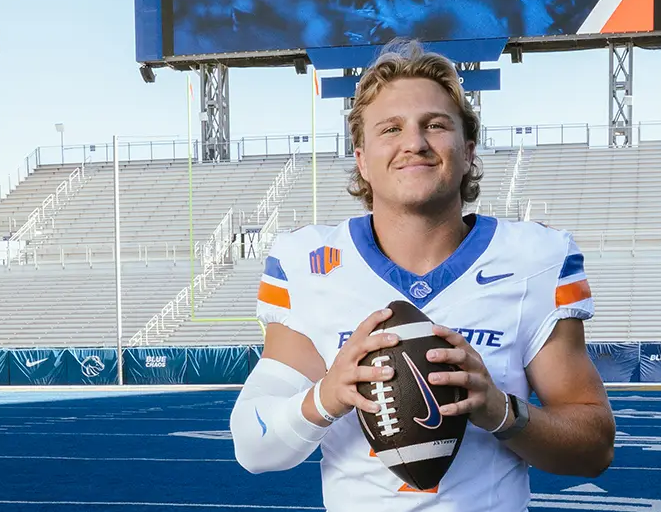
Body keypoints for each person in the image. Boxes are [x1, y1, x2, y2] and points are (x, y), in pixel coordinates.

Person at [230, 39, 615, 510]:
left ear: (468, 151)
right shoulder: (308, 263)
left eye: (435, 125)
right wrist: (326, 397)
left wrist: (500, 411)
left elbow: (595, 449)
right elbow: (253, 448)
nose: (414, 142)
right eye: (391, 128)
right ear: (361, 160)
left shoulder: (534, 259)